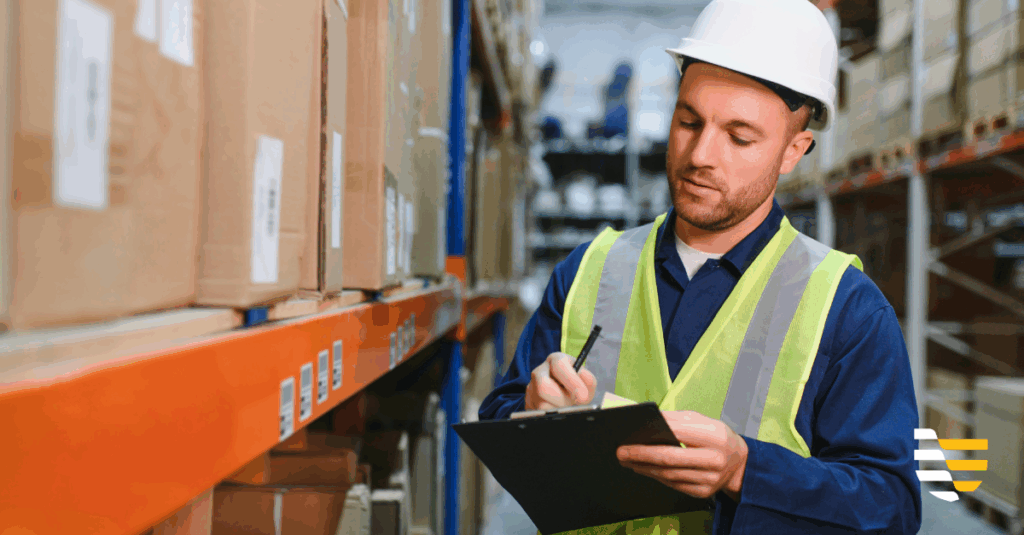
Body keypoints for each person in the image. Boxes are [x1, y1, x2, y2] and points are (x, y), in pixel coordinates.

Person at [478, 0, 923, 533]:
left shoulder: (847, 308)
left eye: (739, 137)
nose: (699, 155)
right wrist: (531, 412)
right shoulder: (589, 269)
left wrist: (747, 470)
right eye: (688, 121)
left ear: (793, 150)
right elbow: (501, 411)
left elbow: (890, 505)